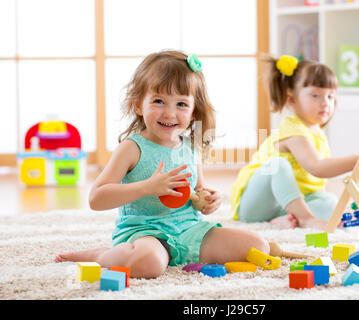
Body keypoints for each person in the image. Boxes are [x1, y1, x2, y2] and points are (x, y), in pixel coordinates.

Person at [54, 50, 269, 279]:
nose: (169, 113)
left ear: (193, 110)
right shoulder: (132, 148)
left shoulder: (190, 147)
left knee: (257, 247)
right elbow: (96, 199)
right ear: (138, 105)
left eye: (181, 104)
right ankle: (103, 255)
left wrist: (207, 200)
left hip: (189, 230)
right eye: (158, 101)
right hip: (146, 233)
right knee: (147, 265)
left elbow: (197, 193)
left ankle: (178, 254)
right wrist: (147, 187)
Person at [230, 55, 359, 230]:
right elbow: (317, 167)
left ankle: (286, 220)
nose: (325, 103)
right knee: (278, 164)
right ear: (291, 99)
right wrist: (358, 160)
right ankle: (305, 219)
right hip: (255, 204)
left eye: (330, 96)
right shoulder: (292, 129)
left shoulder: (318, 133)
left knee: (330, 203)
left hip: (284, 204)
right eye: (316, 95)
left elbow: (313, 183)